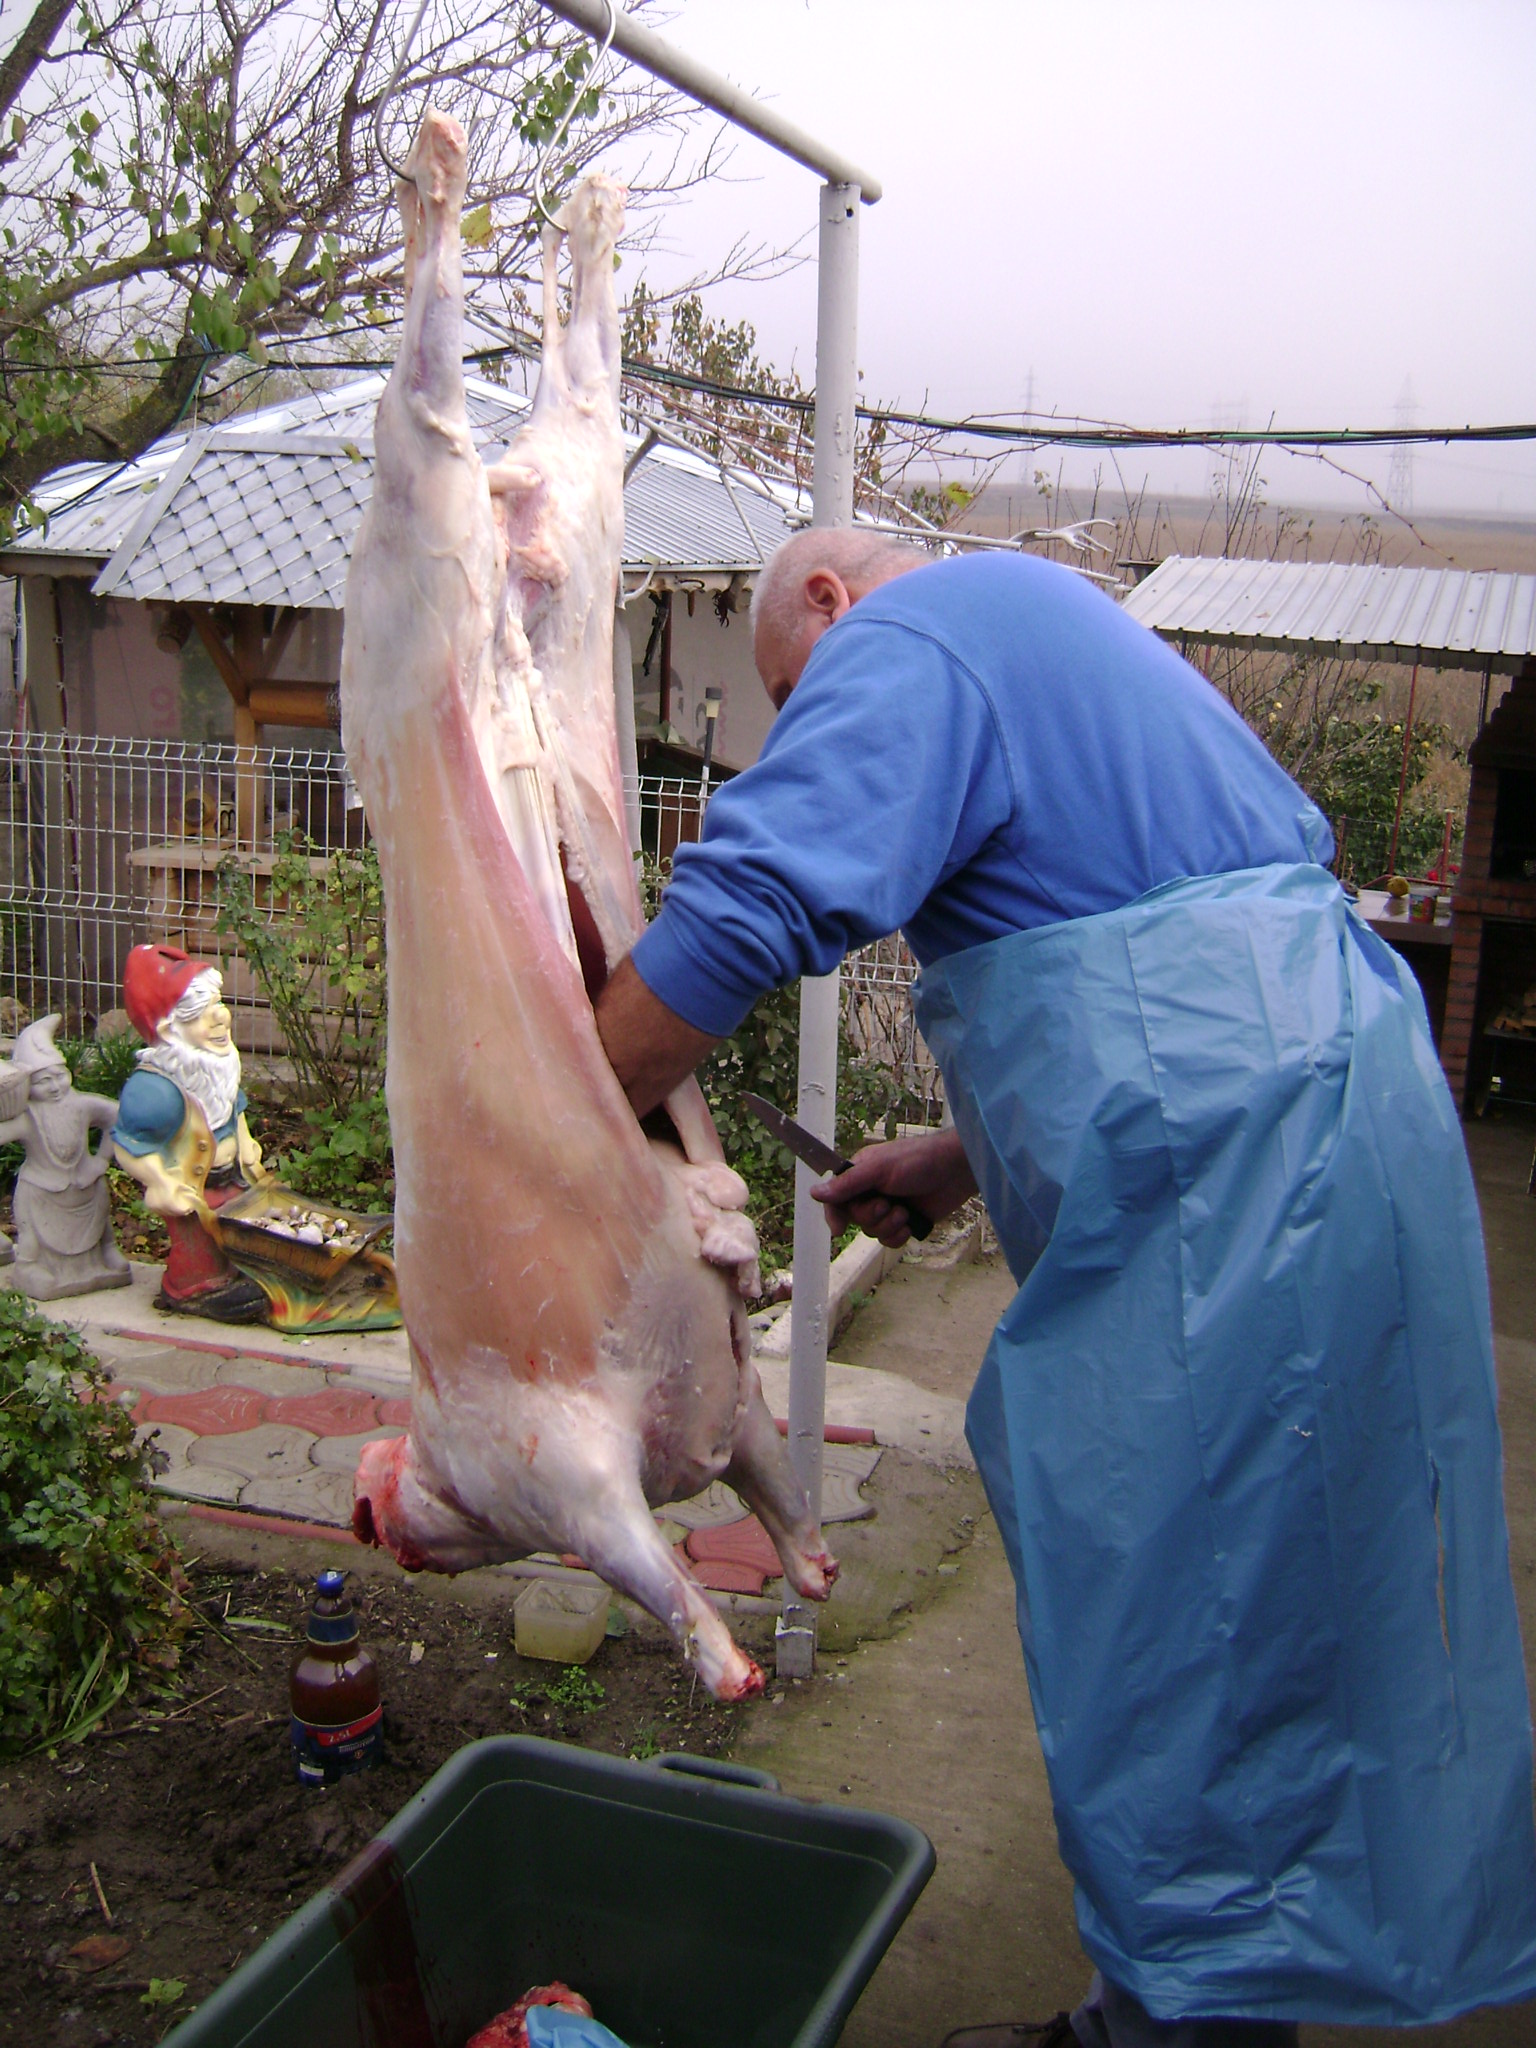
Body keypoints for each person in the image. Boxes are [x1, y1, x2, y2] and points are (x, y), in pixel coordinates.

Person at [595, 530, 1536, 2047]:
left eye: (792, 689)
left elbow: (748, 901)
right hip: (1303, 1143)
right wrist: (955, 1156)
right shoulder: (1048, 635)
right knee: (1247, 1614)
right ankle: (1170, 2008)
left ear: (831, 599)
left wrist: (556, 1125)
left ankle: (1174, 2030)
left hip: (1242, 1195)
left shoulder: (918, 629)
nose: (804, 721)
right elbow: (1168, 945)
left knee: (1197, 1619)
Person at [111, 944, 268, 1323]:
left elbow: (231, 1105)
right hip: (191, 1186)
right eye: (202, 1013)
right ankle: (191, 1289)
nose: (221, 1018)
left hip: (231, 1178)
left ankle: (239, 1272)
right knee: (197, 1243)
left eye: (219, 1003)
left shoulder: (215, 1065)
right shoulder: (154, 1092)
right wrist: (159, 1181)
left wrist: (245, 1141)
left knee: (243, 1226)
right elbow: (130, 1147)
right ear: (169, 1029)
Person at [0, 1012, 130, 1299]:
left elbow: (119, 1116)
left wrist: (101, 1160)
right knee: (31, 1234)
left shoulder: (82, 1105)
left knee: (100, 1206)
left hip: (84, 1181)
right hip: (41, 1188)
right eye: (43, 1081)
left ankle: (108, 1251)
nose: (55, 1086)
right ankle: (29, 1265)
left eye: (59, 1076)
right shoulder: (28, 1117)